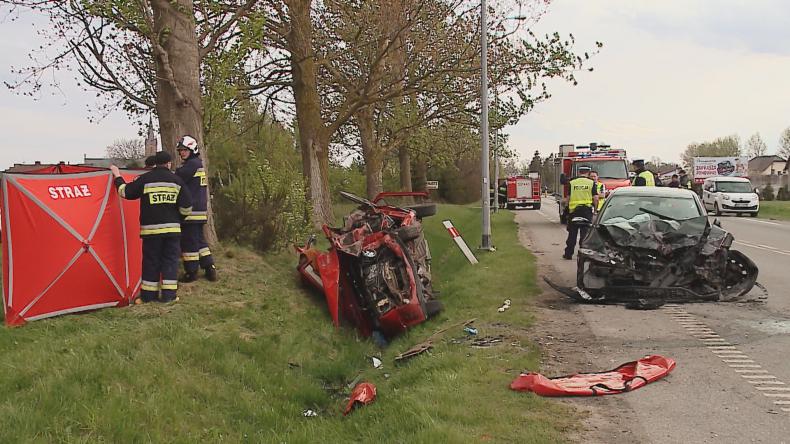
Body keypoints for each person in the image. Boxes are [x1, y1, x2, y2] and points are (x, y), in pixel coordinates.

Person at [110, 151, 192, 303]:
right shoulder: (177, 181)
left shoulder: (145, 179)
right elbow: (187, 207)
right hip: (172, 231)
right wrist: (178, 219)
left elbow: (125, 192)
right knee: (170, 262)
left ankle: (148, 297)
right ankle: (169, 297)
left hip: (151, 232)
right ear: (169, 163)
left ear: (155, 163)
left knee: (151, 262)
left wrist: (117, 175)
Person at [175, 135, 218, 282]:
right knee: (200, 242)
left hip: (191, 212)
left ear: (192, 149)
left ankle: (191, 273)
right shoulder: (197, 163)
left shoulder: (191, 165)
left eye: (184, 150)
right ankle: (209, 268)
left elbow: (177, 178)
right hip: (199, 211)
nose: (182, 153)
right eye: (180, 150)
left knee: (189, 243)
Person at [563, 166, 598, 260]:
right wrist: (595, 209)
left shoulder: (572, 183)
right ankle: (583, 254)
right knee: (585, 234)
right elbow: (595, 198)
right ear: (588, 173)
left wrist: (566, 208)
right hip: (586, 211)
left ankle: (568, 254)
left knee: (572, 234)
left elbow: (568, 198)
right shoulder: (592, 183)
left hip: (573, 211)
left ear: (579, 172)